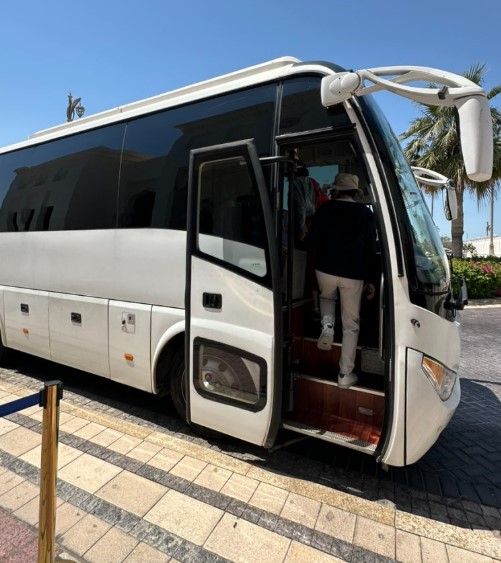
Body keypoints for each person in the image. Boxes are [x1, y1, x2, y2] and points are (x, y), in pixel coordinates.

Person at [306, 173, 378, 388]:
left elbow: (313, 240)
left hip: (325, 269)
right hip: (353, 273)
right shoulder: (366, 214)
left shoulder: (324, 209)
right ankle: (345, 374)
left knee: (327, 297)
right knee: (350, 324)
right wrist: (371, 280)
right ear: (355, 192)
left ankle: (327, 325)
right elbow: (370, 249)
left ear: (336, 190)